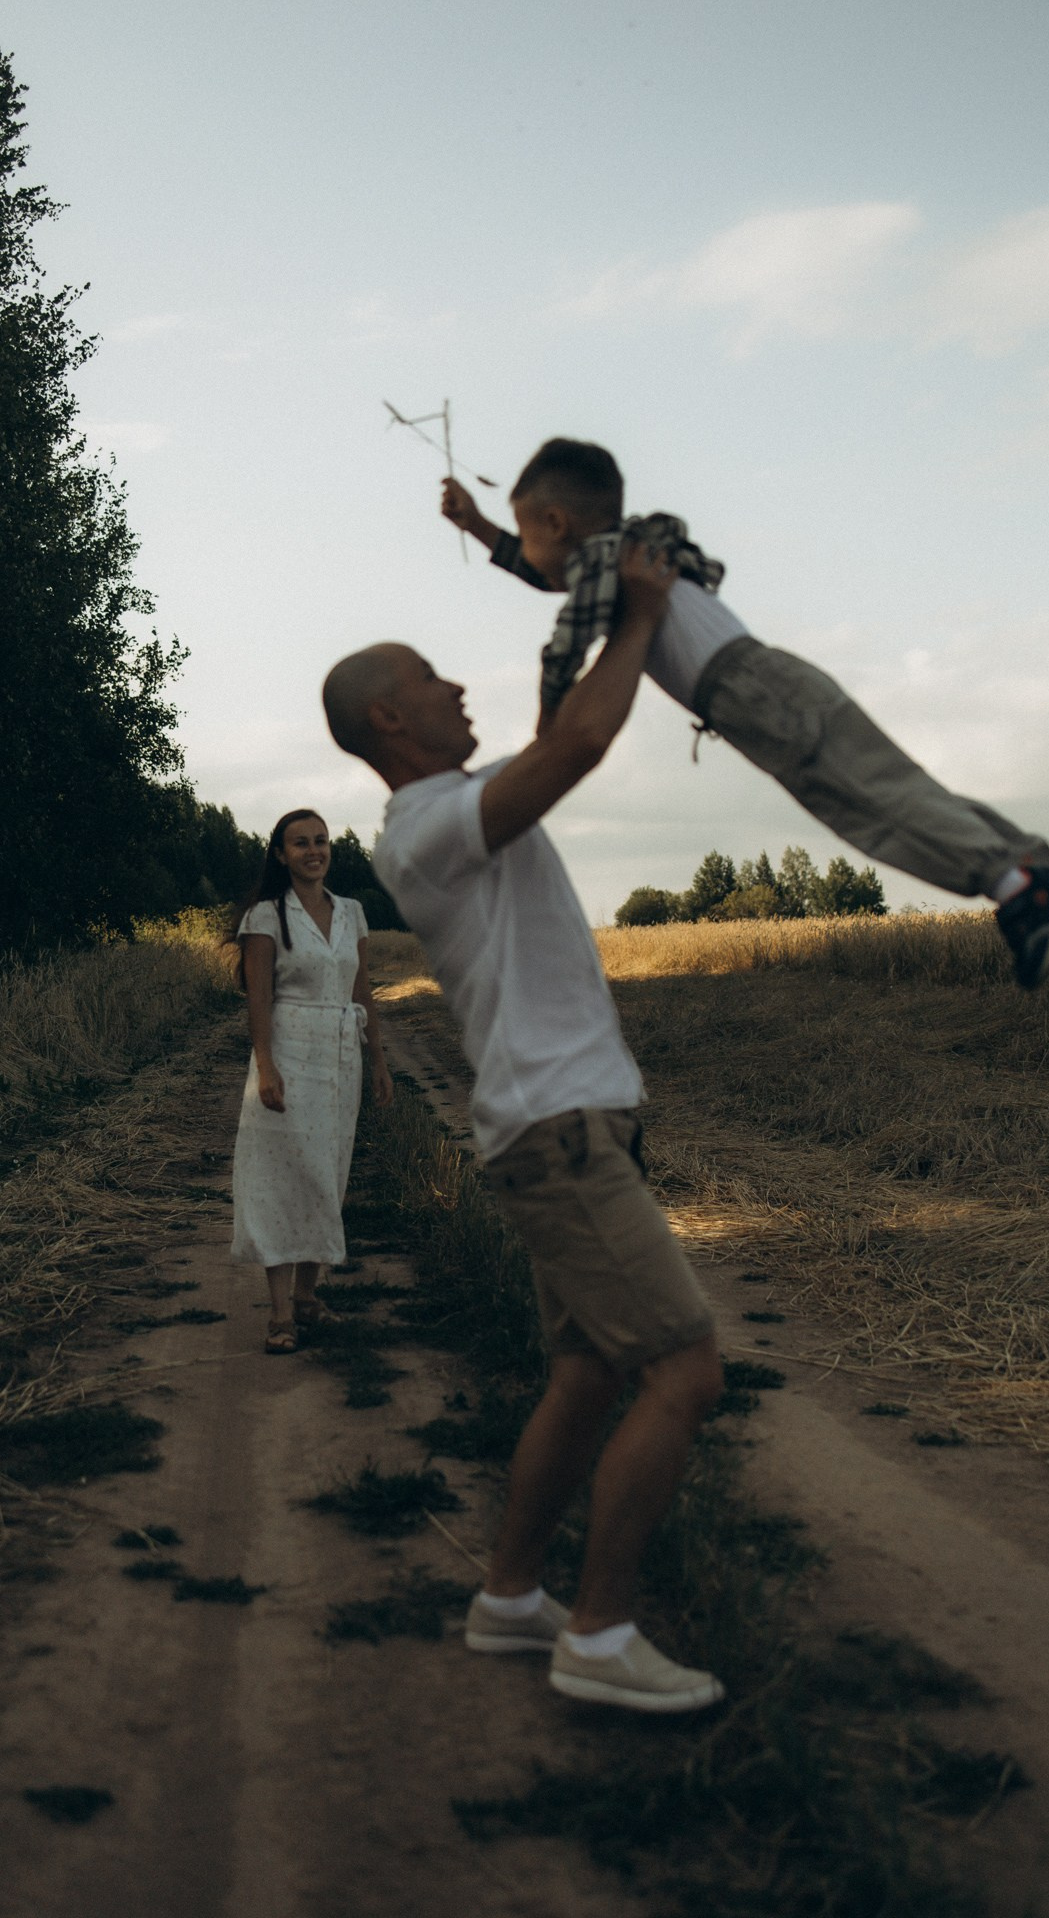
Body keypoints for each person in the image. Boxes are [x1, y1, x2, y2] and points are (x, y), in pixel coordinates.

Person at [322, 545, 727, 1715]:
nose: (461, 689)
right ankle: (596, 1637)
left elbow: (557, 724)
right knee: (685, 1371)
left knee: (588, 1374)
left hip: (558, 1122)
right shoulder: (429, 827)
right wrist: (646, 614)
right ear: (392, 717)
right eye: (436, 679)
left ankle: (509, 1598)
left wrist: (590, 598)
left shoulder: (456, 810)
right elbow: (579, 745)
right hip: (558, 1134)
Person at [440, 439, 1049, 991]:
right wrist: (478, 526)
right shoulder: (636, 549)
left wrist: (545, 732)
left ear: (557, 523)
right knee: (906, 790)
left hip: (748, 693)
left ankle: (1022, 889)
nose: (532, 560)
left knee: (874, 808)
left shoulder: (604, 562)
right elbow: (547, 574)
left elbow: (562, 644)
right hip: (774, 677)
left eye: (528, 536)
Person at [230, 808, 392, 1355]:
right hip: (288, 1055)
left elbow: (361, 990)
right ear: (280, 854)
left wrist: (379, 1061)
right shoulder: (264, 917)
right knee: (278, 1176)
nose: (313, 850)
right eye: (300, 843)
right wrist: (266, 1065)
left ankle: (307, 1297)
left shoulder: (352, 912)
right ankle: (279, 1316)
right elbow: (259, 1000)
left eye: (321, 841)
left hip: (340, 1058)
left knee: (325, 1174)